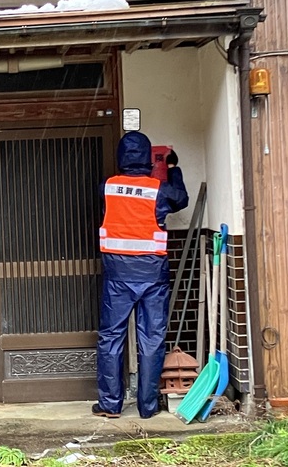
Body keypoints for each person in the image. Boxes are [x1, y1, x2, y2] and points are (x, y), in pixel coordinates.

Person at [93, 131, 188, 419]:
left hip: (118, 275)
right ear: (149, 157)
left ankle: (110, 405)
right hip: (153, 275)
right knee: (152, 339)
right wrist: (172, 168)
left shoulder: (107, 187)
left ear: (122, 157)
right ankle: (147, 407)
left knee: (111, 337)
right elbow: (181, 199)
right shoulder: (159, 189)